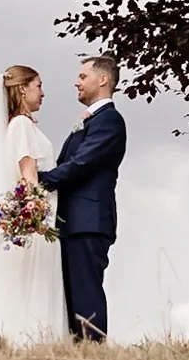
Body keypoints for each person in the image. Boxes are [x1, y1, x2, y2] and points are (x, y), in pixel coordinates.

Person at [0, 64, 67, 347]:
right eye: (38, 85)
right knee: (32, 282)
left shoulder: (19, 124)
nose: (43, 93)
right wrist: (35, 213)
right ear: (23, 88)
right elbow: (28, 173)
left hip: (34, 212)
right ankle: (29, 339)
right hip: (37, 215)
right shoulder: (20, 125)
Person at [34, 54, 125, 341]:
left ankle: (93, 349)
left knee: (86, 289)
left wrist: (43, 180)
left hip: (89, 221)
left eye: (83, 77)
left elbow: (83, 162)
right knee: (73, 291)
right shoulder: (92, 121)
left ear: (103, 80)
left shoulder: (110, 120)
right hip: (73, 220)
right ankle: (78, 350)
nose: (76, 82)